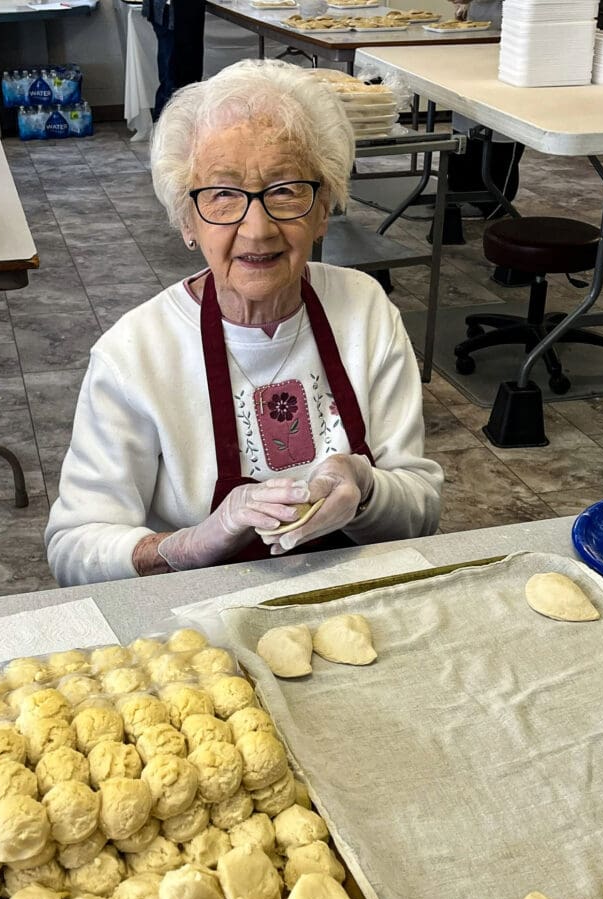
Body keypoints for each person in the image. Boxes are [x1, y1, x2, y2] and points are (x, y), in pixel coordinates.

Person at [45, 60, 443, 585]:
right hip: (198, 628)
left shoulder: (365, 309)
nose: (257, 230)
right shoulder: (134, 354)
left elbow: (421, 510)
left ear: (324, 208)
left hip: (352, 602)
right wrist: (193, 543)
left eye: (286, 190)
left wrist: (365, 488)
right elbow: (73, 550)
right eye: (223, 195)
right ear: (187, 221)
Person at [442, 0, 525, 244]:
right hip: (481, 23)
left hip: (514, 26)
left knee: (500, 123)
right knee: (467, 115)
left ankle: (494, 202)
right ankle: (459, 193)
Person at [142, 0, 206, 120]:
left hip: (183, 12)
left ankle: (175, 129)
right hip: (172, 12)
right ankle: (165, 131)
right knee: (173, 79)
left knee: (184, 77)